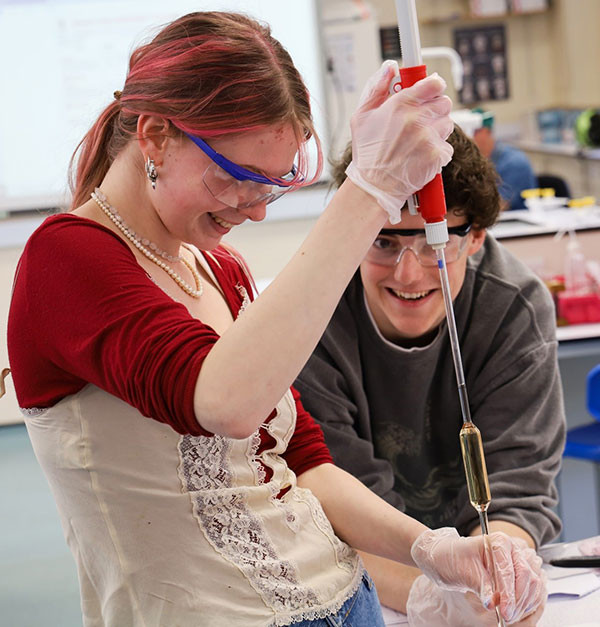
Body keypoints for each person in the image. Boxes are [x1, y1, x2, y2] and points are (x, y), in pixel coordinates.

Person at [7, 12, 545, 627]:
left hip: (349, 604)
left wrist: (434, 554)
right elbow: (222, 403)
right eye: (239, 178)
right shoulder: (67, 259)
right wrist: (368, 191)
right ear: (155, 136)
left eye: (275, 186)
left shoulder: (221, 271)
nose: (257, 213)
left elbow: (303, 464)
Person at [296, 125, 565, 625]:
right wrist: (431, 598)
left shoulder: (514, 310)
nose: (408, 273)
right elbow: (336, 510)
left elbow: (518, 488)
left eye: (434, 242)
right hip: (367, 583)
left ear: (477, 237)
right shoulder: (312, 319)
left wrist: (492, 580)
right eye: (382, 241)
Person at [472, 108, 536, 210]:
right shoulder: (477, 161)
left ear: (487, 131)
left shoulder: (514, 162)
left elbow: (497, 207)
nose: (468, 137)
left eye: (473, 132)